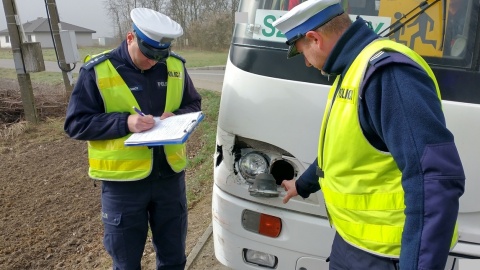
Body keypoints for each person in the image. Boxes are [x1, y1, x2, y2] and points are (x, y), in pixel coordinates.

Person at [272, 0, 465, 269]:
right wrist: (301, 185)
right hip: (352, 243)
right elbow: (343, 152)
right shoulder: (352, 70)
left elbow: (433, 181)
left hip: (389, 255)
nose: (306, 62)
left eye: (303, 52)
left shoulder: (388, 74)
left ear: (314, 39)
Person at [64, 8, 201, 270]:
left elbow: (193, 104)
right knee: (126, 263)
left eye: (159, 57)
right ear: (130, 38)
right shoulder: (97, 71)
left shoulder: (173, 65)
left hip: (169, 180)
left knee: (174, 259)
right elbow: (75, 124)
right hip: (123, 186)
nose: (153, 62)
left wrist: (178, 117)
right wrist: (124, 122)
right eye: (147, 55)